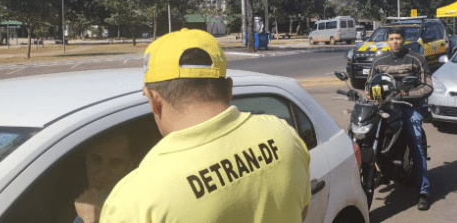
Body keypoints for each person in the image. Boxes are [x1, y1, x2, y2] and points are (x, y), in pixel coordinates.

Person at [96, 29, 311, 222]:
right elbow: (300, 212)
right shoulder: (284, 135)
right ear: (229, 89)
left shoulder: (132, 200)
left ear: (154, 101)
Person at [365, 26, 433, 210]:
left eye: (398, 38)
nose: (395, 41)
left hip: (408, 107)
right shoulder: (379, 61)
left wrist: (407, 94)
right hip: (384, 106)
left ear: (404, 40)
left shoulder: (416, 59)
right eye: (392, 38)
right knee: (364, 136)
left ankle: (424, 191)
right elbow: (369, 86)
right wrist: (370, 95)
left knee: (416, 141)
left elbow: (427, 87)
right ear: (388, 40)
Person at [73, 131, 137, 223]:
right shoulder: (72, 198)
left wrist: (92, 218)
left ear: (131, 164)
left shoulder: (138, 208)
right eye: (96, 160)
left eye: (115, 163)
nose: (103, 172)